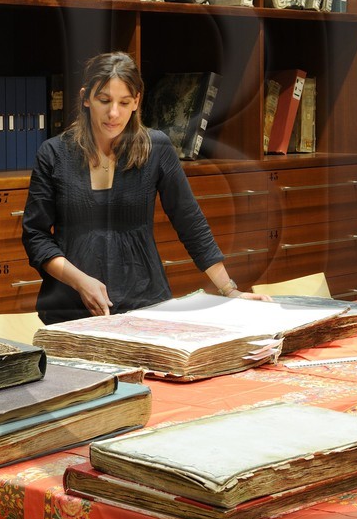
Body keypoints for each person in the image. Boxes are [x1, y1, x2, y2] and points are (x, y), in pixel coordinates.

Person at [21, 51, 263, 323]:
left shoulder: (156, 148)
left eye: (124, 102)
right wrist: (79, 281)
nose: (114, 113)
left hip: (146, 303)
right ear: (86, 98)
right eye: (104, 101)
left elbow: (189, 220)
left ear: (137, 101)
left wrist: (229, 290)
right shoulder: (54, 153)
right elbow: (36, 236)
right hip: (70, 308)